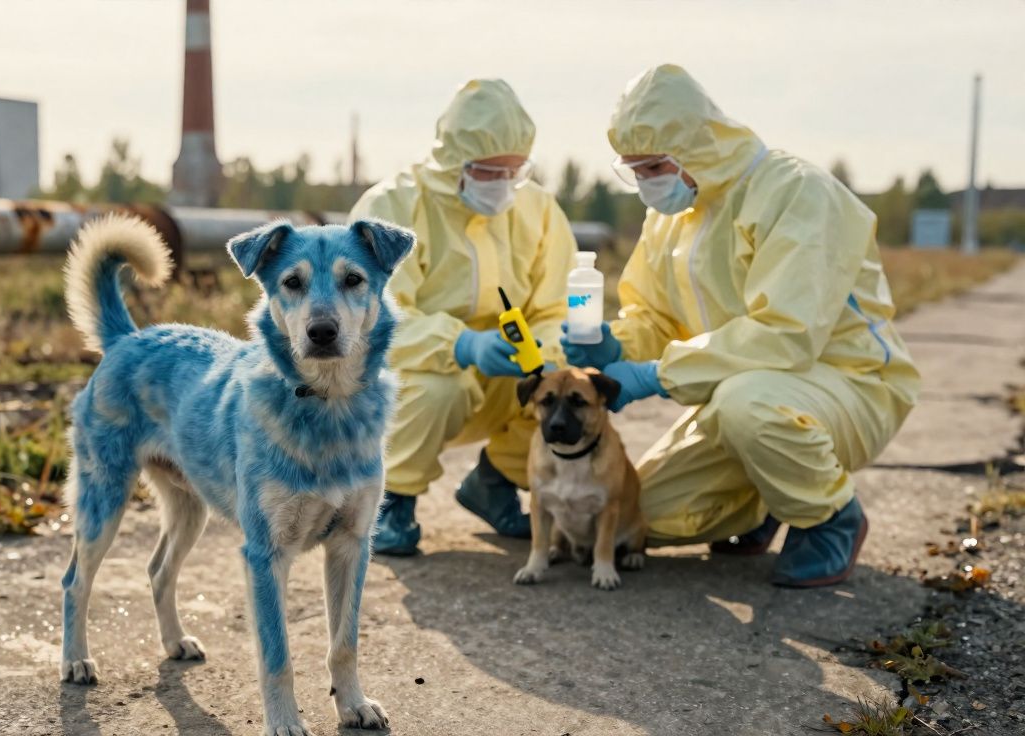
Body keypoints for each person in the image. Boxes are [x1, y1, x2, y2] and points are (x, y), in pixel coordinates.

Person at [562, 64, 920, 587]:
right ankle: (771, 499)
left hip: (849, 387)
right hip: (742, 397)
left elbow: (785, 334)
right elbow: (654, 315)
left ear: (700, 146)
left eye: (655, 165)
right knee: (635, 515)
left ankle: (829, 517)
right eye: (634, 170)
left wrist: (655, 376)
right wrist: (615, 346)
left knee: (745, 403)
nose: (646, 182)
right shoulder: (672, 215)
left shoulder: (797, 193)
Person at [350, 79, 577, 556]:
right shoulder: (393, 207)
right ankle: (392, 503)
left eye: (513, 172)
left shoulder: (537, 210)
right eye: (488, 172)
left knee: (563, 389)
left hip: (498, 376)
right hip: (410, 375)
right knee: (438, 387)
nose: (502, 186)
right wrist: (461, 344)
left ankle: (495, 481)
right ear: (455, 163)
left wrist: (543, 352)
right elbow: (370, 319)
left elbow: (554, 307)